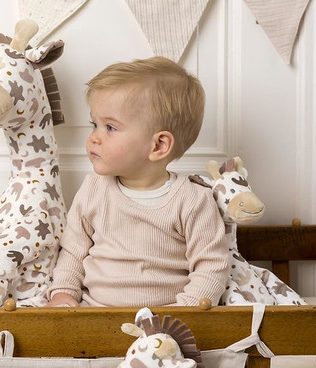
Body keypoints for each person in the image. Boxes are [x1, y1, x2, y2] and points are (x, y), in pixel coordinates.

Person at [47, 56, 229, 307]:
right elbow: (73, 251)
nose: (94, 138)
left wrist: (188, 312)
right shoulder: (94, 190)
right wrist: (64, 292)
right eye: (94, 124)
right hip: (94, 312)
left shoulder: (193, 200)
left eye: (110, 127)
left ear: (159, 145)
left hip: (166, 318)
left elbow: (211, 266)